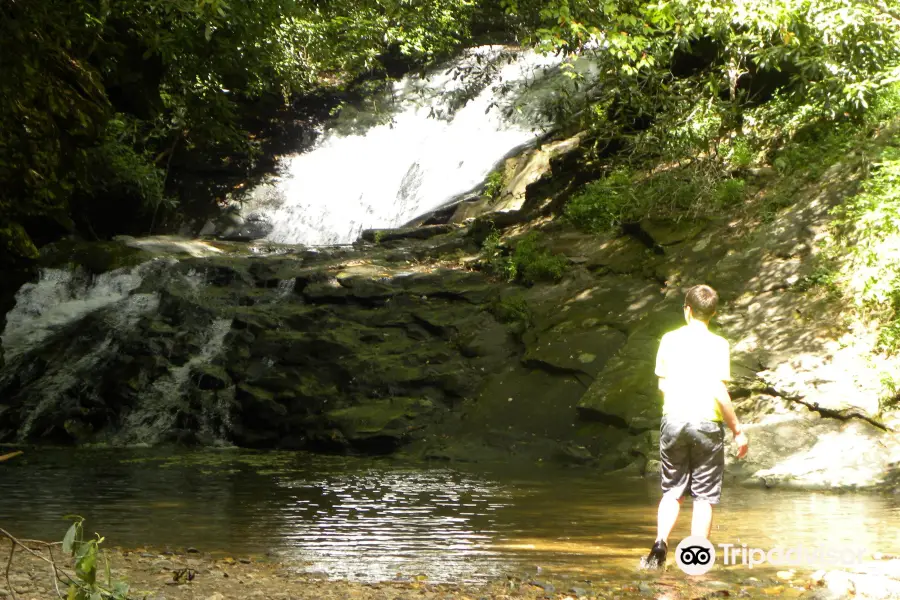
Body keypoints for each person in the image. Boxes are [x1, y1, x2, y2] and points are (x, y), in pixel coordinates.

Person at [643, 284, 749, 568]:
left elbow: (662, 383)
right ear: (712, 313)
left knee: (672, 491)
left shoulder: (668, 339)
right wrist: (737, 430)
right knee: (703, 496)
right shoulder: (719, 344)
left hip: (674, 420)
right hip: (706, 424)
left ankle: (659, 544)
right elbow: (718, 390)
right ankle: (695, 562)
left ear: (687, 310)